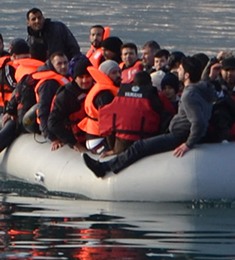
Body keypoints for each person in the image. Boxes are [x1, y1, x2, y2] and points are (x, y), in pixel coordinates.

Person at [83, 56, 216, 178]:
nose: (178, 71)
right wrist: (212, 63)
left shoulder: (189, 95)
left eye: (181, 69)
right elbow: (204, 81)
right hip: (180, 132)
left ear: (187, 75)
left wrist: (188, 144)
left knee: (140, 146)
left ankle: (105, 167)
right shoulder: (202, 89)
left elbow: (199, 122)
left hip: (179, 136)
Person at [98, 70, 171, 154]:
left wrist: (113, 148)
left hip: (121, 144)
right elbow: (170, 114)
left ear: (133, 83)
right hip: (145, 141)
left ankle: (113, 152)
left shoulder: (120, 96)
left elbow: (108, 119)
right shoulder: (157, 96)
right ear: (150, 83)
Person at [47, 58, 94, 151]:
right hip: (74, 138)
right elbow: (53, 123)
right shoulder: (65, 96)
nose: (85, 80)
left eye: (87, 76)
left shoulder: (97, 91)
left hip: (93, 137)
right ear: (75, 78)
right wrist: (73, 143)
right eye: (81, 77)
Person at [77, 59, 122, 153]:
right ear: (105, 75)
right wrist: (113, 149)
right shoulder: (104, 95)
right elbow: (108, 124)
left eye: (119, 72)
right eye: (114, 72)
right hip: (98, 140)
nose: (118, 75)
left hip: (95, 136)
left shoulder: (100, 87)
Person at [0, 39, 35, 120]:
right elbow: (13, 85)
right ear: (14, 56)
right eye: (24, 58)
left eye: (28, 57)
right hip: (4, 107)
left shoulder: (28, 67)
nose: (27, 61)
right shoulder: (6, 68)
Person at [29, 51, 71, 138]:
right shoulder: (48, 84)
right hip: (51, 128)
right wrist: (50, 137)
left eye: (65, 63)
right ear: (52, 65)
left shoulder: (68, 79)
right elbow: (43, 110)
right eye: (59, 64)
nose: (63, 66)